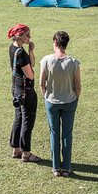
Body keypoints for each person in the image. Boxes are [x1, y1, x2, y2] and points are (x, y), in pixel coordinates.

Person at [39, 30, 81, 177]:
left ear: (55, 43)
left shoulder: (46, 60)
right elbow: (78, 86)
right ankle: (67, 167)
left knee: (54, 133)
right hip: (69, 102)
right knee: (67, 134)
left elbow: (41, 84)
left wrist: (46, 97)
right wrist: (75, 99)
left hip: (52, 102)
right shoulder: (74, 62)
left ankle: (56, 167)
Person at [8, 24, 41, 162]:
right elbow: (30, 75)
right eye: (27, 35)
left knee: (18, 119)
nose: (29, 37)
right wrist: (32, 73)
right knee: (27, 121)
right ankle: (26, 153)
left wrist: (31, 51)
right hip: (26, 92)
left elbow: (32, 64)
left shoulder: (14, 48)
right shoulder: (20, 53)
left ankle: (16, 150)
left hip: (16, 89)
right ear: (19, 35)